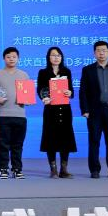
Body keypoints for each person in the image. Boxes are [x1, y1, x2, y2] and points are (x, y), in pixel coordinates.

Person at [79, 40, 108, 179]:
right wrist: (85, 110)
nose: (101, 53)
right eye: (98, 50)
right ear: (94, 53)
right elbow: (83, 91)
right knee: (94, 141)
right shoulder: (87, 70)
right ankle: (94, 170)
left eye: (104, 50)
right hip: (94, 111)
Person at [0, 46, 31, 179]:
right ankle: (3, 168)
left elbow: (28, 93)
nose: (11, 59)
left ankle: (17, 169)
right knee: (3, 143)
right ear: (4, 58)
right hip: (2, 114)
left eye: (14, 57)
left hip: (20, 114)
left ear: (18, 59)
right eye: (8, 57)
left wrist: (28, 100)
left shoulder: (24, 75)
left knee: (18, 144)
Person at [37, 45, 76, 178]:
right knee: (51, 138)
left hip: (65, 109)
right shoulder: (43, 72)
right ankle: (53, 169)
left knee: (65, 138)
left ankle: (63, 169)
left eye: (58, 55)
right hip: (50, 109)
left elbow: (71, 90)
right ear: (48, 57)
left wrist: (70, 92)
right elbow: (40, 89)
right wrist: (44, 98)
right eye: (53, 55)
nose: (56, 57)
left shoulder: (67, 71)